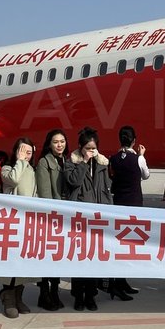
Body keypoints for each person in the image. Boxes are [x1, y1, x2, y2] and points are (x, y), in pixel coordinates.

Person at [62, 127, 112, 310]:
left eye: (93, 148)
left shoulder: (102, 164)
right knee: (79, 257)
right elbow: (73, 181)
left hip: (97, 217)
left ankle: (91, 294)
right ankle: (78, 295)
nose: (91, 151)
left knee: (94, 258)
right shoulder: (72, 162)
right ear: (81, 147)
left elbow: (106, 188)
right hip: (79, 216)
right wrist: (83, 162)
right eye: (88, 148)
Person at [0, 137, 38, 318]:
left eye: (29, 153)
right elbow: (13, 180)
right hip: (11, 221)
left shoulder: (32, 170)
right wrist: (20, 161)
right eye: (22, 151)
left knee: (23, 261)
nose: (26, 155)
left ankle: (18, 296)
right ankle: (8, 297)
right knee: (10, 261)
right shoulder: (7, 168)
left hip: (27, 221)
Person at [105, 125, 147, 298]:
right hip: (134, 206)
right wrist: (141, 155)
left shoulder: (113, 158)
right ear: (134, 141)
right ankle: (117, 284)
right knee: (128, 246)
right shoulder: (138, 159)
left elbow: (111, 177)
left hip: (118, 204)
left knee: (119, 245)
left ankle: (119, 282)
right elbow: (146, 175)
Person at [33, 128, 68, 311]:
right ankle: (44, 293)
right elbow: (45, 194)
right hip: (51, 217)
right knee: (48, 257)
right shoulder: (44, 163)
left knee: (59, 257)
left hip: (65, 216)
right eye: (55, 142)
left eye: (62, 141)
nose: (59, 145)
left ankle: (54, 291)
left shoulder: (66, 161)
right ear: (49, 144)